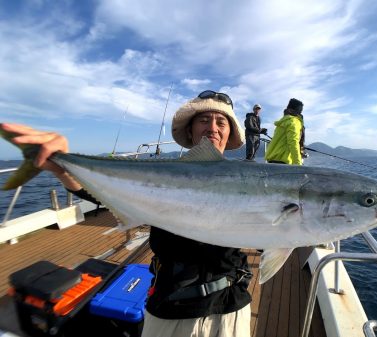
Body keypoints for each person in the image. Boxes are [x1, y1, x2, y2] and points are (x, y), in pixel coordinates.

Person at [0, 90, 253, 337]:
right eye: (204, 120)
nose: (213, 127)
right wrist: (63, 167)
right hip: (173, 308)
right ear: (190, 130)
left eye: (221, 122)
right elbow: (110, 192)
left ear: (229, 132)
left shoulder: (250, 181)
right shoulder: (162, 174)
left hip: (232, 304)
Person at [265, 98, 304, 165]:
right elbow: (293, 142)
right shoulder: (294, 121)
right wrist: (298, 164)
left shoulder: (283, 121)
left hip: (272, 160)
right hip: (284, 162)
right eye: (299, 111)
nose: (299, 114)